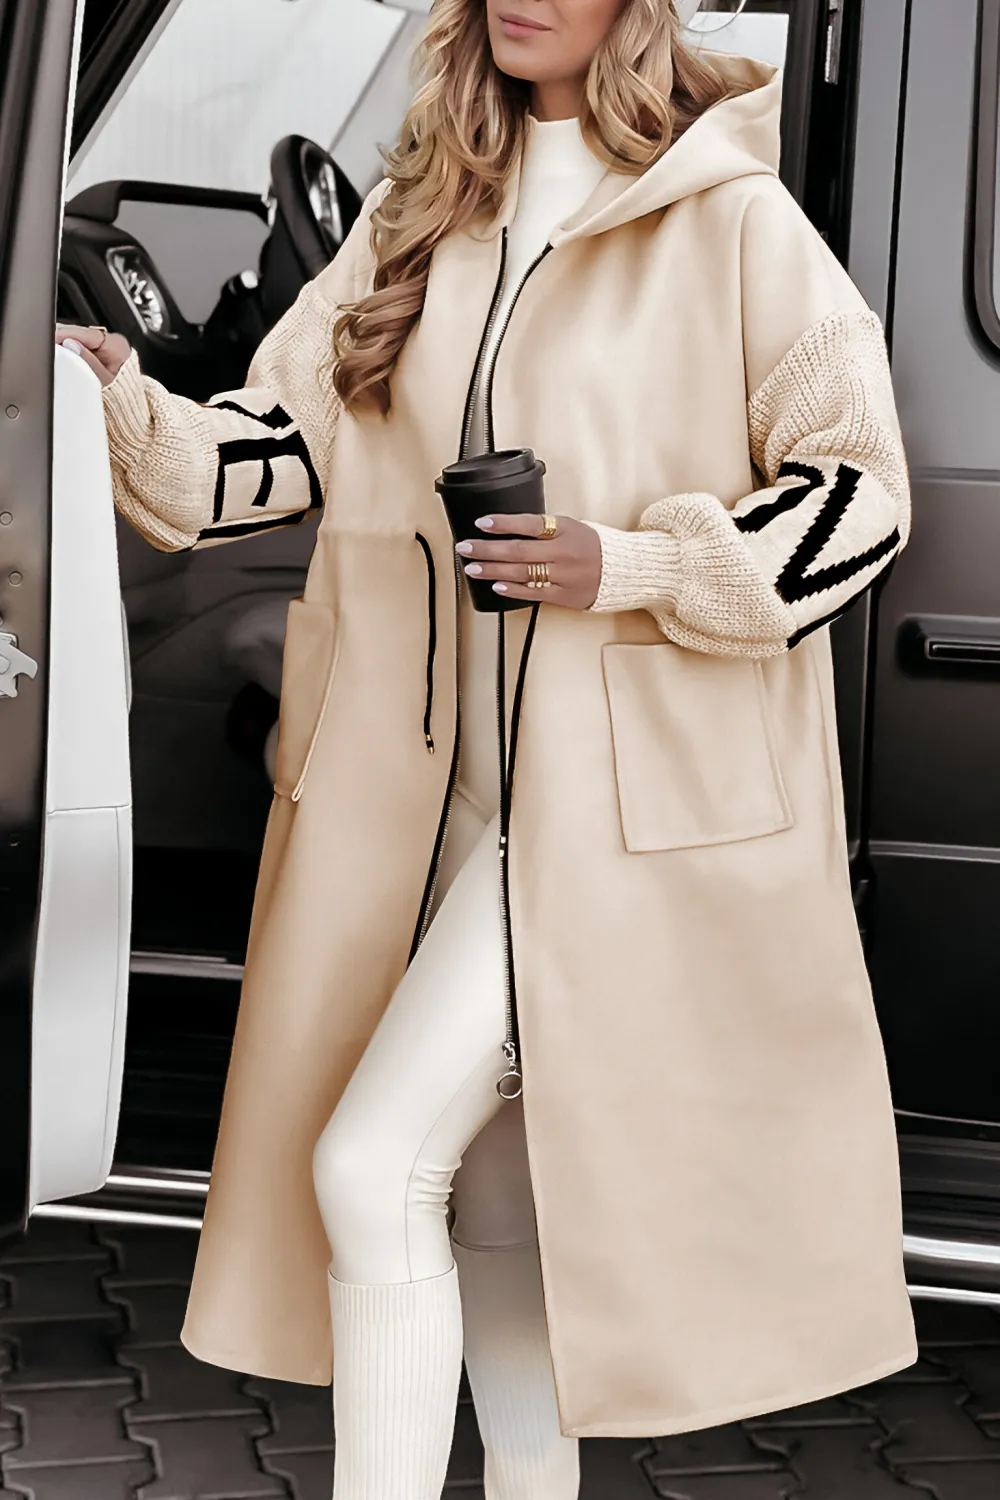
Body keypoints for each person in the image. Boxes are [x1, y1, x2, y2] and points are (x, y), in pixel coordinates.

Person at [57, 0, 919, 1495]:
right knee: (501, 1218)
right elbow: (273, 455)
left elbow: (861, 496)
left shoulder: (733, 218)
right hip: (435, 800)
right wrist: (121, 401)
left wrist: (631, 564)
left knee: (367, 1166)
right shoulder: (419, 213)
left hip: (613, 823)